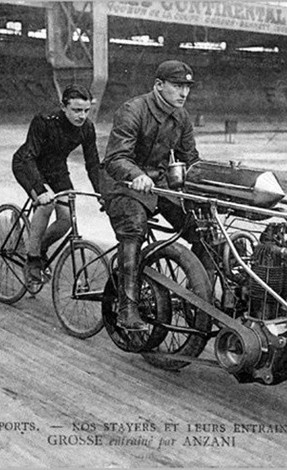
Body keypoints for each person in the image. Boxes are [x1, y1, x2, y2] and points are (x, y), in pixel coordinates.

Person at [100, 60, 200, 331]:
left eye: (187, 87)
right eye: (177, 86)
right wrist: (136, 175)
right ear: (158, 85)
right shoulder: (133, 110)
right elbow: (115, 158)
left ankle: (201, 297)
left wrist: (207, 185)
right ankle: (127, 309)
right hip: (122, 185)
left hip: (157, 187)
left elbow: (191, 161)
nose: (183, 93)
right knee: (134, 227)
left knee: (201, 229)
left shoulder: (181, 117)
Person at [12, 84, 100, 283]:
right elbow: (29, 156)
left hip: (56, 169)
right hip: (27, 164)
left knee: (68, 219)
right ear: (63, 107)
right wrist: (41, 190)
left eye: (86, 111)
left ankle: (39, 246)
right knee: (46, 205)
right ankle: (33, 259)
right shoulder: (44, 121)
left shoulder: (87, 128)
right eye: (76, 110)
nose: (82, 116)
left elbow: (93, 164)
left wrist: (102, 193)